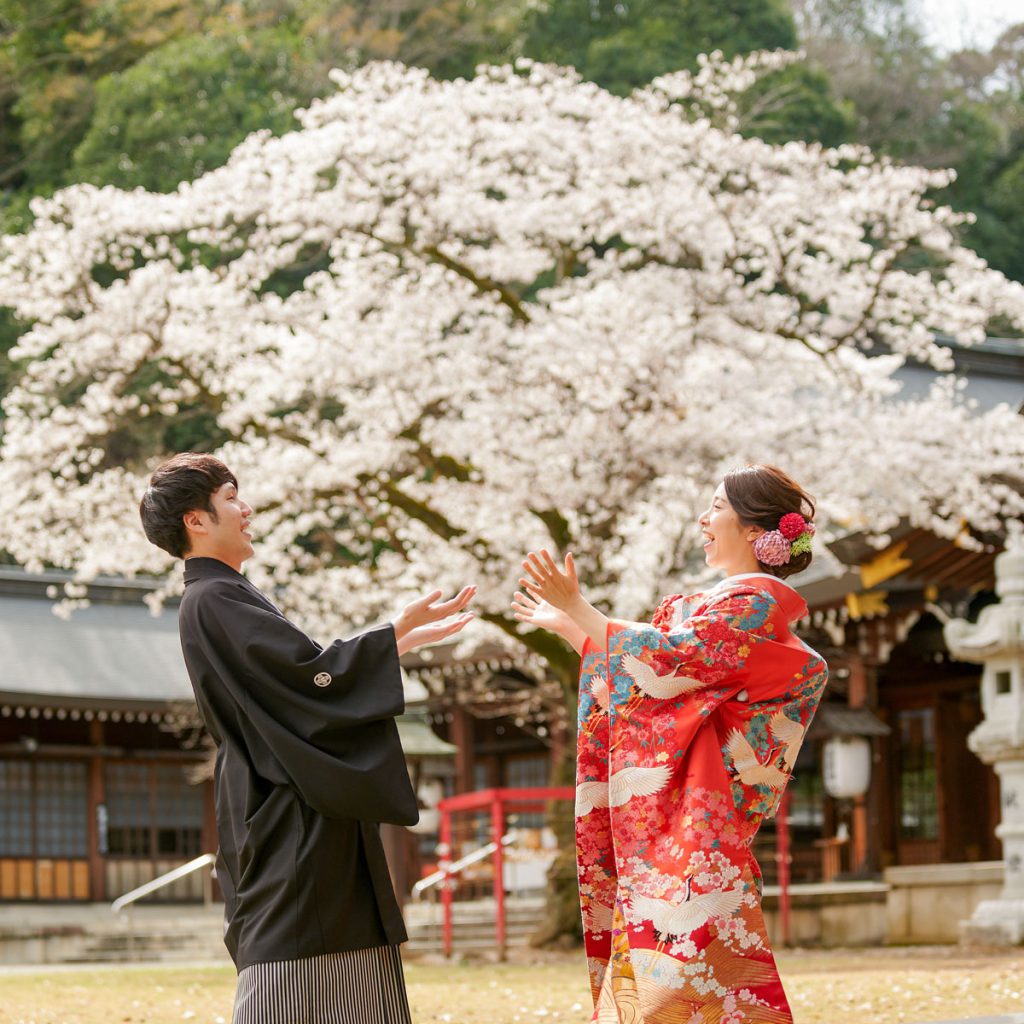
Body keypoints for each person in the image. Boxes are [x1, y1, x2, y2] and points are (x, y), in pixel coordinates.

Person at [139, 452, 475, 1024]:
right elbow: (304, 680)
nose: (245, 509)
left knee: (326, 945)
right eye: (230, 498)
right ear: (196, 520)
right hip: (285, 800)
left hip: (292, 794)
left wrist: (395, 641)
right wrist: (390, 636)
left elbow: (302, 677)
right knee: (288, 951)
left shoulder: (225, 595)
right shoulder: (214, 598)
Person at [512, 464, 828, 1024]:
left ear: (756, 532)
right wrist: (571, 626)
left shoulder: (754, 605)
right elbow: (661, 676)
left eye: (716, 507)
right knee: (671, 969)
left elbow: (673, 661)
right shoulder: (728, 605)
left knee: (682, 972)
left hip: (697, 817)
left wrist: (582, 612)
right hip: (685, 817)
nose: (703, 520)